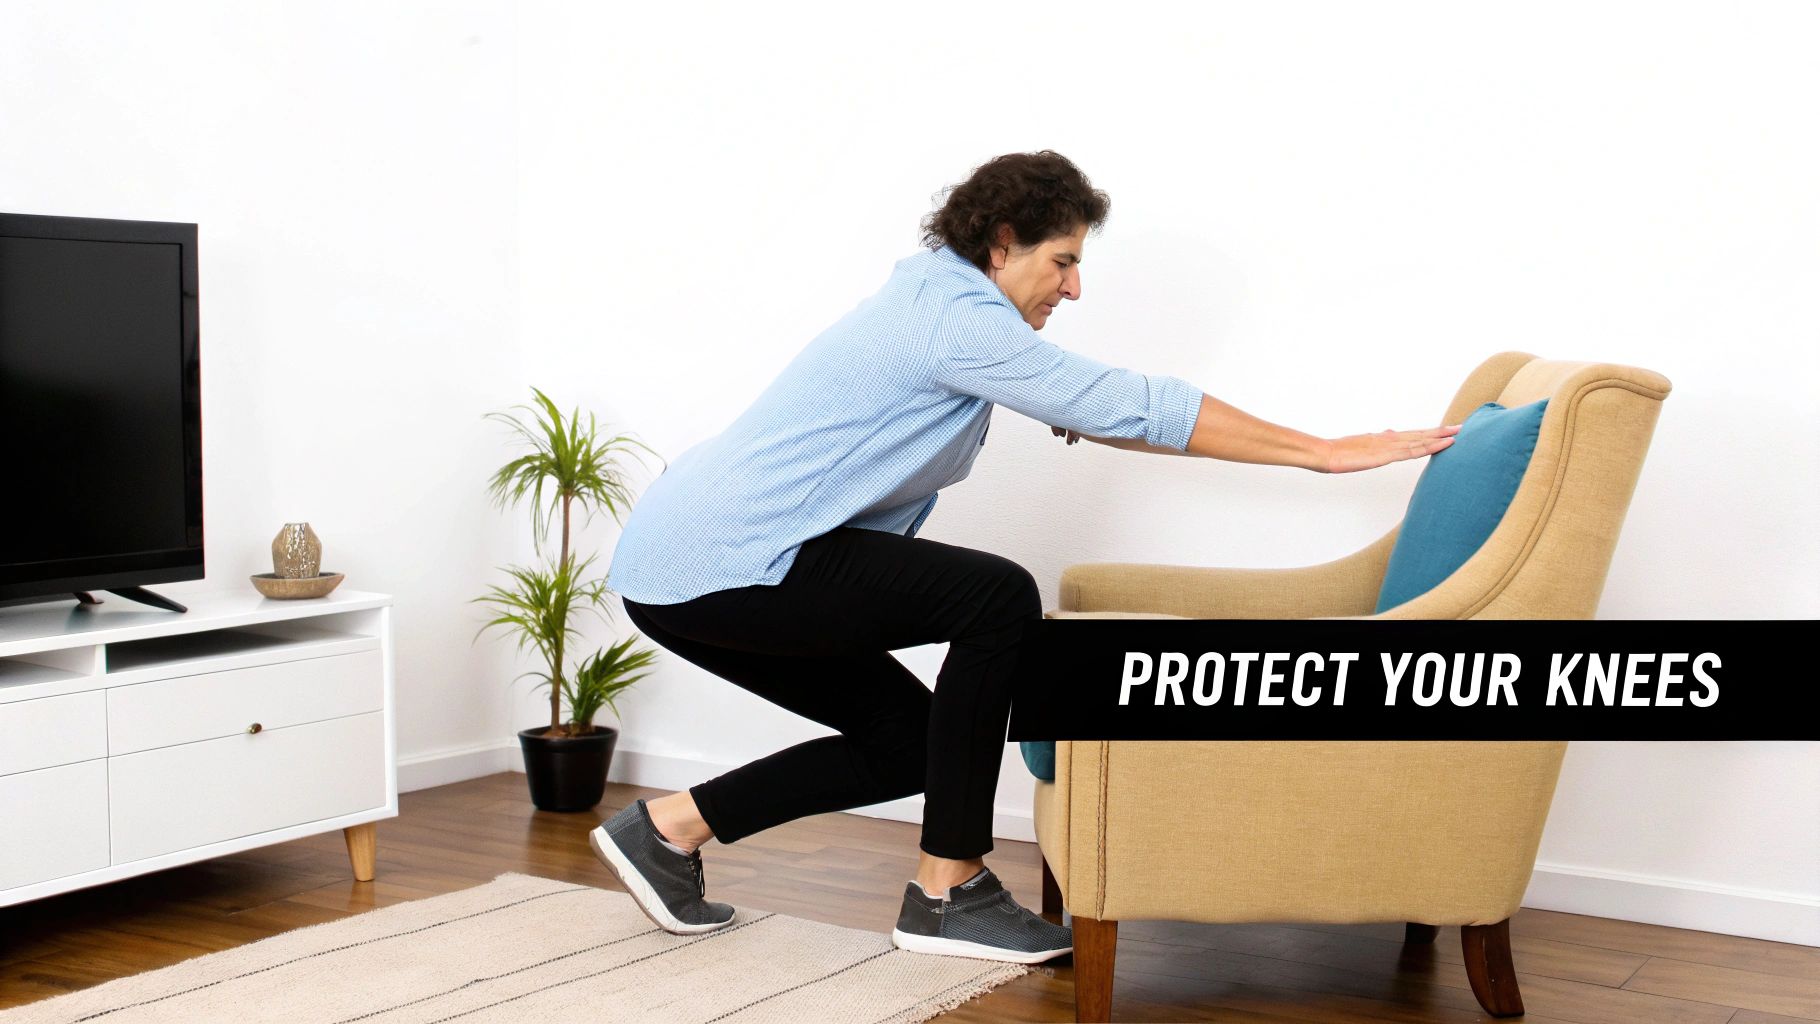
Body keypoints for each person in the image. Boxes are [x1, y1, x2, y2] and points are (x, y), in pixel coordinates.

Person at [589, 150, 1459, 964]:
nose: (1075, 286)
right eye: (1063, 261)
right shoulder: (954, 320)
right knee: (996, 597)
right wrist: (1325, 452)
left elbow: (1122, 420)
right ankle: (949, 889)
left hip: (694, 564)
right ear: (1002, 245)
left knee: (909, 743)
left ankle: (667, 831)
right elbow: (1133, 403)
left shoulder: (947, 308)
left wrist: (1159, 422)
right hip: (726, 562)